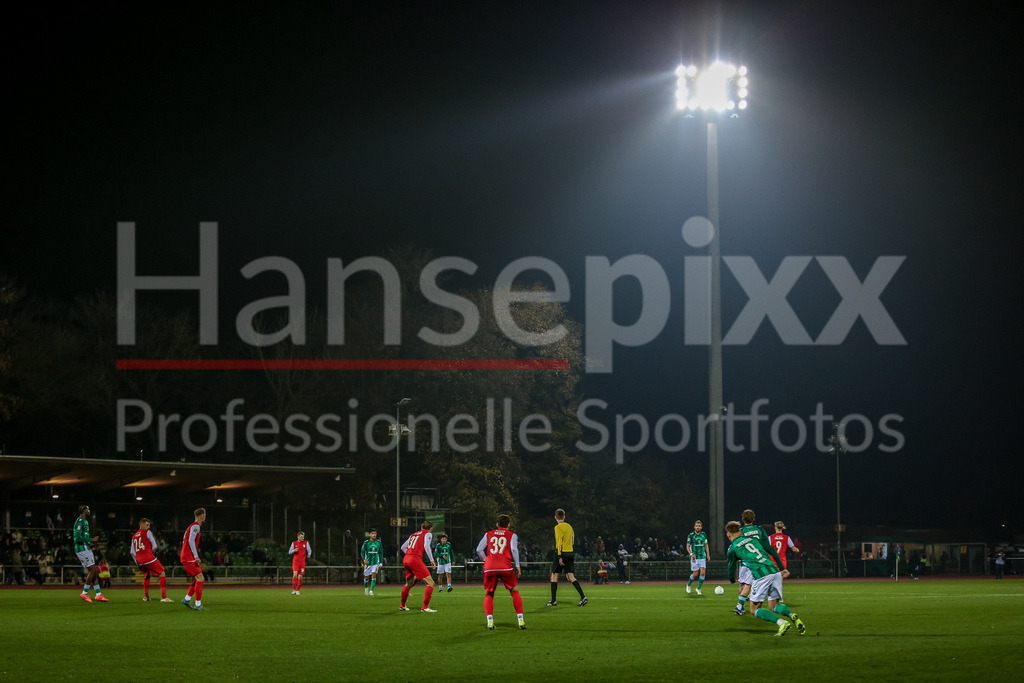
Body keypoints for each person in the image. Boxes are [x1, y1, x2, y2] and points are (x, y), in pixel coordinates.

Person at [725, 521, 806, 637]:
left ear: (728, 534)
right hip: (775, 571)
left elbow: (731, 569)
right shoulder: (754, 540)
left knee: (754, 610)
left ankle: (782, 623)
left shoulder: (732, 548)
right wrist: (782, 568)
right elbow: (770, 550)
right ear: (739, 531)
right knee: (774, 605)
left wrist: (732, 580)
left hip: (761, 574)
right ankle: (792, 616)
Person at [475, 514, 525, 630]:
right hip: (505, 566)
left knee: (489, 593)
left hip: (490, 567)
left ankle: (490, 621)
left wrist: (485, 559)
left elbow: (479, 549)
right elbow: (513, 549)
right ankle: (520, 619)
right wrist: (517, 565)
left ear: (497, 524)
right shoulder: (512, 535)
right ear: (509, 525)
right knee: (514, 591)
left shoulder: (488, 534)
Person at [734, 509, 785, 616]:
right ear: (754, 518)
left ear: (742, 519)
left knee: (743, 584)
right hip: (758, 561)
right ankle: (740, 605)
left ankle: (740, 605)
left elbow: (738, 546)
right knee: (748, 584)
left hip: (745, 560)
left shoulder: (741, 531)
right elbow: (767, 545)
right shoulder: (759, 529)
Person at [547, 508, 587, 607]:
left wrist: (559, 556)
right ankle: (583, 597)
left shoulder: (557, 527)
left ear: (555, 517)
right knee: (571, 576)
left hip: (562, 552)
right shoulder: (569, 526)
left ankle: (553, 601)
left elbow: (559, 542)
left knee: (554, 576)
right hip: (570, 552)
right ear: (564, 517)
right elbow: (573, 540)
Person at [399, 521, 437, 613]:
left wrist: (409, 554)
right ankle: (425, 607)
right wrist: (432, 560)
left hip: (406, 558)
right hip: (414, 559)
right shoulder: (428, 534)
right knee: (430, 583)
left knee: (409, 583)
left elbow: (403, 547)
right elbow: (426, 546)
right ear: (430, 528)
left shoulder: (413, 535)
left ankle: (402, 605)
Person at [131, 517, 172, 602]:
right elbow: (155, 546)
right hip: (148, 557)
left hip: (139, 560)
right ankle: (164, 597)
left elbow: (132, 552)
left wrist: (137, 561)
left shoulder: (134, 536)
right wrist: (150, 553)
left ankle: (146, 597)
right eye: (147, 525)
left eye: (149, 525)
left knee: (147, 575)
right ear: (141, 524)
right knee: (162, 573)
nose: (149, 527)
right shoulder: (148, 532)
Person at [73, 505, 108, 603]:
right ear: (83, 511)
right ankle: (84, 593)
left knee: (93, 572)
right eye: (88, 509)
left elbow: (83, 537)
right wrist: (91, 539)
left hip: (86, 548)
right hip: (81, 549)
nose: (89, 511)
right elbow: (78, 538)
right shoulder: (80, 521)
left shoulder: (85, 521)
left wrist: (90, 544)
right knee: (92, 570)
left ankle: (98, 594)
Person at [180, 508, 208, 611]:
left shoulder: (191, 526)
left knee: (198, 578)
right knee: (200, 578)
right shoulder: (196, 526)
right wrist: (196, 556)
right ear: (202, 516)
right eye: (204, 515)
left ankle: (187, 599)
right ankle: (198, 604)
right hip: (189, 556)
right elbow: (191, 540)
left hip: (187, 555)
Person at [686, 519, 710, 595]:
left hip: (702, 556)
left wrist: (708, 554)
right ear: (694, 527)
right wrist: (691, 554)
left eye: (699, 526)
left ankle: (698, 588)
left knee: (703, 573)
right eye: (696, 526)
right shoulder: (691, 535)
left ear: (701, 527)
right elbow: (688, 546)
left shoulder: (704, 535)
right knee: (695, 574)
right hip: (694, 557)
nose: (698, 527)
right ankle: (689, 584)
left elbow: (706, 544)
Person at [360, 528, 384, 596]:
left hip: (375, 562)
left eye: (375, 533)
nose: (374, 535)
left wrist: (381, 562)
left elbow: (381, 553)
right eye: (372, 533)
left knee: (374, 574)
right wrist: (364, 559)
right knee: (366, 577)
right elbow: (362, 552)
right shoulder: (366, 543)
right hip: (368, 562)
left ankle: (371, 591)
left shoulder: (379, 542)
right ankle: (366, 588)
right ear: (369, 534)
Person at [289, 531, 312, 595]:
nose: (303, 538)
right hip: (296, 561)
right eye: (301, 537)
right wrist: (294, 550)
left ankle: (298, 590)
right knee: (295, 574)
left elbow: (309, 550)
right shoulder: (294, 543)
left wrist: (309, 554)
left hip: (302, 562)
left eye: (303, 537)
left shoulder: (306, 543)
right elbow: (289, 551)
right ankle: (293, 590)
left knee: (300, 576)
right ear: (298, 537)